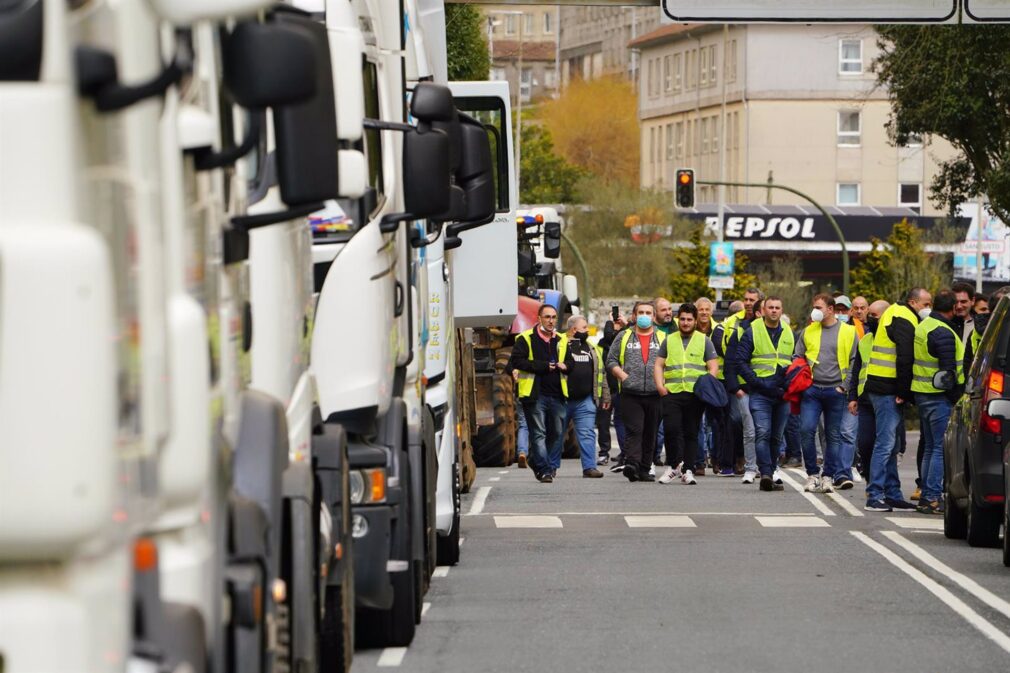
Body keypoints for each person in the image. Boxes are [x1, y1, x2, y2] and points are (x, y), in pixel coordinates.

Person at [862, 288, 932, 511]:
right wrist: (904, 391)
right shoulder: (903, 317)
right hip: (887, 388)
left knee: (890, 445)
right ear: (913, 302)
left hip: (881, 385)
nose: (928, 308)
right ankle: (874, 495)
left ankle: (892, 492)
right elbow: (905, 357)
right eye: (925, 303)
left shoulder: (896, 312)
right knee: (885, 443)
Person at [794, 293, 858, 493]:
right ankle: (812, 474)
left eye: (819, 307)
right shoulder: (808, 331)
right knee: (806, 430)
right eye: (814, 307)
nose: (815, 311)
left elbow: (855, 360)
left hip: (836, 391)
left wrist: (844, 386)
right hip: (812, 390)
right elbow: (798, 357)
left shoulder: (848, 331)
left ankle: (828, 476)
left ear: (830, 310)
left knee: (833, 436)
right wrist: (804, 382)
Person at [911, 290, 965, 514]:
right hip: (938, 396)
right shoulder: (943, 331)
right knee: (937, 449)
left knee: (930, 447)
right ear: (952, 308)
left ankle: (926, 495)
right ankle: (932, 497)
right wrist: (955, 397)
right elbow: (948, 373)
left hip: (923, 393)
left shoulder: (924, 325)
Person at [653, 303, 719, 485]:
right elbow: (659, 364)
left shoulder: (704, 340)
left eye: (689, 319)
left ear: (695, 321)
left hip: (694, 394)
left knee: (692, 432)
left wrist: (705, 387)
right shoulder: (669, 339)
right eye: (682, 319)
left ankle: (688, 469)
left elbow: (713, 366)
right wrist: (660, 386)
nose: (685, 322)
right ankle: (674, 466)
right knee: (671, 429)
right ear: (678, 319)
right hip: (672, 392)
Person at [735, 296, 794, 492]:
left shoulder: (789, 332)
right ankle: (766, 473)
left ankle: (771, 469)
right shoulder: (753, 331)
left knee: (777, 437)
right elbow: (740, 361)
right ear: (764, 310)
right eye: (770, 307)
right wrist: (756, 382)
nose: (774, 311)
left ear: (781, 309)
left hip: (782, 392)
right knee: (762, 433)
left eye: (778, 307)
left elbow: (794, 361)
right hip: (761, 392)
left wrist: (787, 385)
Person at [607, 302, 666, 483]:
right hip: (630, 393)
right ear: (634, 315)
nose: (644, 315)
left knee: (650, 432)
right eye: (641, 312)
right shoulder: (624, 336)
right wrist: (624, 376)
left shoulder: (664, 337)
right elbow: (611, 360)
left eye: (648, 313)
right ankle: (632, 464)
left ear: (654, 317)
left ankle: (644, 469)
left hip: (655, 393)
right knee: (635, 429)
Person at [510, 303, 567, 483]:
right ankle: (544, 470)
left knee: (557, 432)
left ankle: (537, 460)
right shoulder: (525, 338)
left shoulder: (561, 339)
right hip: (535, 394)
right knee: (539, 432)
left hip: (557, 394)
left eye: (553, 317)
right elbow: (517, 361)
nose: (551, 321)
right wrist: (543, 366)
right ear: (539, 318)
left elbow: (571, 361)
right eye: (547, 317)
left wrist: (567, 366)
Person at [723, 291, 763, 483]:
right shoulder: (740, 328)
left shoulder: (782, 331)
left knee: (764, 429)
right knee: (745, 425)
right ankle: (748, 464)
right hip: (744, 388)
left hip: (767, 390)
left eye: (751, 301)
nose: (747, 303)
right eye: (745, 300)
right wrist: (735, 388)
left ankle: (767, 465)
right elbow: (730, 361)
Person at [562, 316, 610, 478]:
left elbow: (600, 374)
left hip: (585, 399)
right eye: (584, 328)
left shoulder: (592, 348)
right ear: (574, 329)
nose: (587, 330)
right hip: (562, 399)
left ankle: (589, 467)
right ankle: (549, 468)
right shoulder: (560, 344)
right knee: (556, 435)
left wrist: (605, 396)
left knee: (588, 433)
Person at [597, 311, 628, 467]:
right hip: (606, 388)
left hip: (622, 388)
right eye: (612, 325)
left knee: (621, 421)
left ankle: (625, 453)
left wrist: (623, 325)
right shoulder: (602, 345)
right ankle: (604, 452)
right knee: (603, 422)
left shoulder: (626, 340)